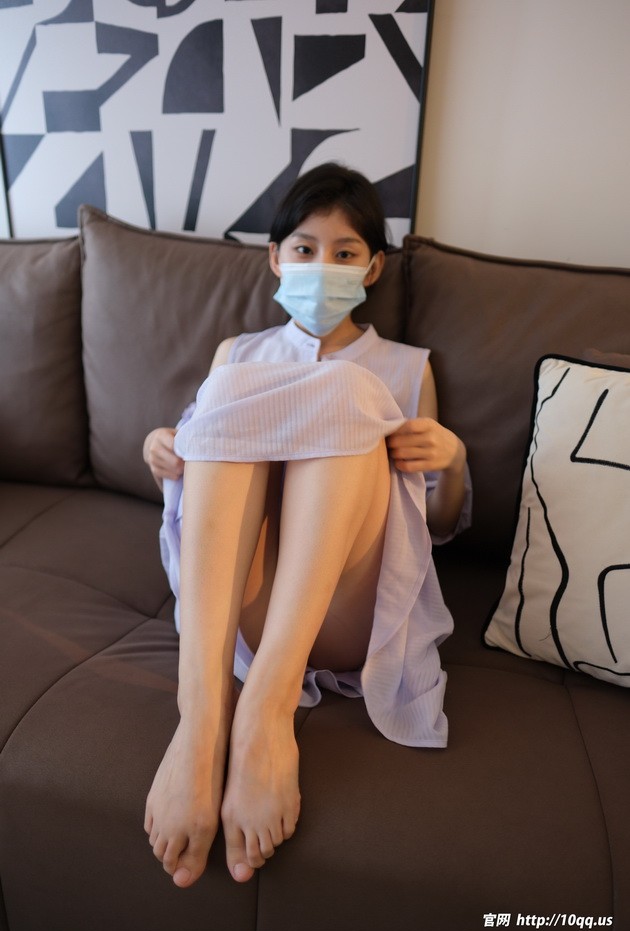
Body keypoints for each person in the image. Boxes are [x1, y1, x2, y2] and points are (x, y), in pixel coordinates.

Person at [142, 163, 471, 890]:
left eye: (345, 252)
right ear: (275, 258)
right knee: (233, 387)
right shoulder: (237, 356)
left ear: (373, 267)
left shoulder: (406, 368)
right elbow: (199, 491)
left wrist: (452, 461)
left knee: (347, 388)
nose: (323, 265)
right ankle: (202, 716)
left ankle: (265, 712)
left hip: (349, 608)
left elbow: (436, 527)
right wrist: (165, 450)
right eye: (304, 248)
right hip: (245, 608)